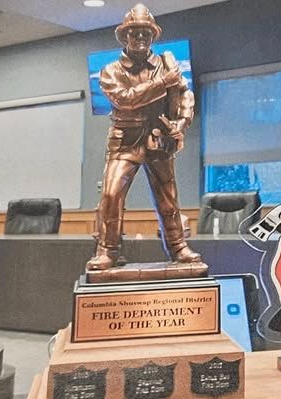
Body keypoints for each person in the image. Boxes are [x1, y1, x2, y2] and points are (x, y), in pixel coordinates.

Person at [87, 3, 201, 271]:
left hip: (159, 137)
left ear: (153, 36)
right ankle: (107, 250)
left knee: (168, 198)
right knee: (111, 194)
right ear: (124, 36)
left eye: (146, 32)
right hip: (125, 140)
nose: (141, 37)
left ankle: (178, 247)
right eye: (135, 32)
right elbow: (126, 99)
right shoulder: (111, 71)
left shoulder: (167, 65)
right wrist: (163, 83)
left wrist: (181, 122)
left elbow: (185, 94)